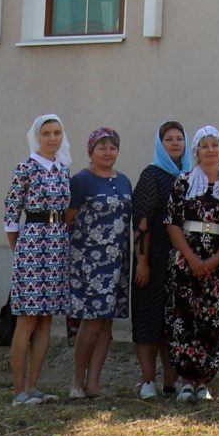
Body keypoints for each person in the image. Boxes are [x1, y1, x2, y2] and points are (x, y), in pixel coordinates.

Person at [2, 113, 71, 405]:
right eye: (47, 133)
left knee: (45, 321)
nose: (52, 138)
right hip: (33, 246)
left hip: (58, 247)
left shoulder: (63, 169)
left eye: (57, 133)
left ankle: (33, 386)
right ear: (37, 137)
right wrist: (20, 250)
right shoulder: (26, 168)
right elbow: (11, 214)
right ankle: (18, 390)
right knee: (27, 321)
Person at [164, 126, 219, 402]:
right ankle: (185, 379)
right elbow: (172, 223)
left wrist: (216, 258)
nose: (211, 150)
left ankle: (204, 380)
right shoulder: (183, 181)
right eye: (205, 146)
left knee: (212, 319)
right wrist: (192, 258)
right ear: (196, 151)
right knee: (184, 317)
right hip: (185, 261)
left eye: (215, 145)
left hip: (217, 262)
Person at [64, 125, 131, 399]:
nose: (108, 152)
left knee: (106, 323)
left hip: (117, 262)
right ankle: (77, 382)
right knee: (91, 322)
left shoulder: (125, 180)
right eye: (102, 147)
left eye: (112, 147)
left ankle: (95, 383)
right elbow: (68, 219)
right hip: (89, 263)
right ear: (91, 151)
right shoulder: (81, 180)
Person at [130, 121, 187, 399]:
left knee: (171, 321)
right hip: (152, 260)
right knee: (148, 318)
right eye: (169, 139)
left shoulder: (190, 175)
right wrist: (142, 261)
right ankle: (147, 380)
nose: (175, 143)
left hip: (179, 263)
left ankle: (171, 380)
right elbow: (141, 222)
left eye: (179, 138)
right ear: (160, 144)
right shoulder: (152, 175)